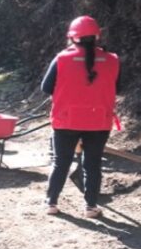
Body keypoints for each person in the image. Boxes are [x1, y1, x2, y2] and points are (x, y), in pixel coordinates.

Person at [41, 15, 120, 218]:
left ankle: (51, 202)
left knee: (61, 162)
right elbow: (117, 86)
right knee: (92, 164)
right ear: (97, 36)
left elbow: (46, 87)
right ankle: (91, 207)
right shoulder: (112, 60)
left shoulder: (61, 59)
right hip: (99, 121)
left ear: (72, 37)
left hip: (66, 120)